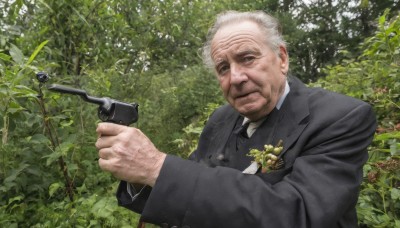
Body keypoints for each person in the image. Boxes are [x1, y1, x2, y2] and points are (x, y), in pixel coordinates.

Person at [95, 11, 376, 228]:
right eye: (223, 68)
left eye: (248, 58)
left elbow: (298, 214)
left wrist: (157, 167)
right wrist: (139, 175)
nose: (236, 77)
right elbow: (192, 192)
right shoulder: (221, 118)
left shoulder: (341, 116)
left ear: (281, 58)